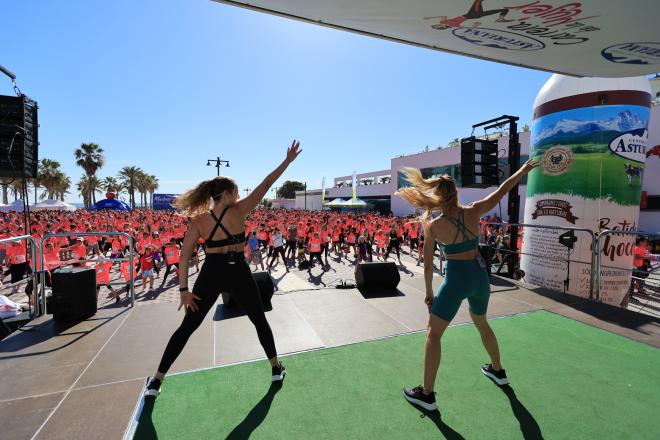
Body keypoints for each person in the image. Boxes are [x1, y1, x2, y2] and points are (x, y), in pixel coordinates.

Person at [144, 140, 301, 398]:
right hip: (238, 271)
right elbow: (266, 184)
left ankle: (156, 382)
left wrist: (184, 289)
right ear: (227, 193)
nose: (239, 196)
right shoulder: (239, 211)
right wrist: (287, 161)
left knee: (187, 327)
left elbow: (184, 257)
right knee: (259, 319)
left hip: (210, 274)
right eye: (237, 191)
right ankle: (275, 368)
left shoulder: (198, 221)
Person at [399, 159, 539, 411]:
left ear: (437, 196)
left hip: (456, 281)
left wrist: (429, 293)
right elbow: (502, 190)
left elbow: (429, 266)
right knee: (482, 322)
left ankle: (427, 394)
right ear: (456, 193)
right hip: (480, 278)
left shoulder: (433, 225)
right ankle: (498, 370)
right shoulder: (474, 210)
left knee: (433, 334)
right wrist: (522, 170)